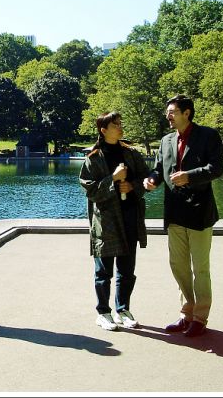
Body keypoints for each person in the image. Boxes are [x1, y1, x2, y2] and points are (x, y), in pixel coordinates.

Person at [143, 94, 223, 338]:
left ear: (186, 112)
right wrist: (152, 180)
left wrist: (189, 175)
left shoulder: (208, 136)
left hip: (199, 212)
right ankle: (186, 313)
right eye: (168, 112)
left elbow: (216, 168)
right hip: (174, 212)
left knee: (200, 268)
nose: (168, 116)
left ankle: (200, 317)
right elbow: (159, 169)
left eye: (172, 111)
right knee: (177, 265)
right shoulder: (166, 140)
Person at [79, 112, 150, 331]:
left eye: (120, 123)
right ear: (104, 130)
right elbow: (90, 191)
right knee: (104, 271)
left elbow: (145, 178)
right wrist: (114, 179)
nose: (120, 127)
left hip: (130, 217)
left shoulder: (131, 154)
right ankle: (103, 312)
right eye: (115, 124)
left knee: (127, 269)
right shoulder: (93, 158)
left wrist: (133, 186)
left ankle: (123, 309)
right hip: (106, 222)